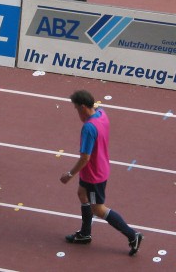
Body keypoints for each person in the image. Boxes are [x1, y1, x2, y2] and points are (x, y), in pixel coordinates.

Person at [59, 90, 143, 256]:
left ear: (83, 107)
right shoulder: (101, 114)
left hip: (93, 175)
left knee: (97, 208)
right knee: (81, 194)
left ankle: (133, 235)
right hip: (100, 167)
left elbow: (85, 158)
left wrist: (69, 174)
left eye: (76, 109)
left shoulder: (89, 128)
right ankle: (85, 233)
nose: (76, 113)